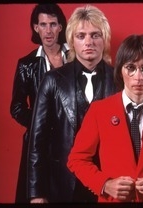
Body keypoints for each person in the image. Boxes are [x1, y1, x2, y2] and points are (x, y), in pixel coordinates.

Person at [67, 34, 143, 203]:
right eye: (131, 67)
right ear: (120, 71)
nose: (139, 77)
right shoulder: (99, 111)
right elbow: (77, 159)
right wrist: (105, 184)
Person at [27, 5, 116, 203]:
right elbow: (37, 141)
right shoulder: (52, 80)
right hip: (63, 182)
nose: (88, 42)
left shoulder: (121, 79)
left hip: (109, 182)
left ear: (105, 38)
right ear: (71, 40)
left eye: (95, 35)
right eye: (81, 36)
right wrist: (36, 193)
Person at [10, 4, 68, 203]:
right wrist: (39, 126)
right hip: (39, 144)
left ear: (61, 27)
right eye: (43, 24)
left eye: (53, 24)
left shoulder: (76, 57)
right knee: (39, 196)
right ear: (36, 28)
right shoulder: (26, 64)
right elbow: (16, 107)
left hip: (72, 140)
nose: (48, 30)